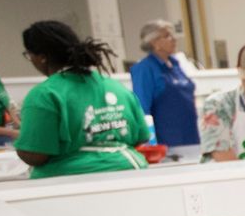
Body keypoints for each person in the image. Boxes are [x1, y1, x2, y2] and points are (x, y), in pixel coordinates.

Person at [14, 21, 152, 179]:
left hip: (72, 180)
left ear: (42, 57)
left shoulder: (45, 94)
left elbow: (35, 155)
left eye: (29, 55)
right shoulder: (116, 87)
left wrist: (22, 140)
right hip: (130, 172)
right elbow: (142, 136)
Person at [130, 19, 200, 157]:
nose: (174, 39)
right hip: (167, 141)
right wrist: (149, 145)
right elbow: (142, 109)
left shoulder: (175, 64)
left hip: (190, 135)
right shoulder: (145, 69)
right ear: (154, 42)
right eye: (167, 36)